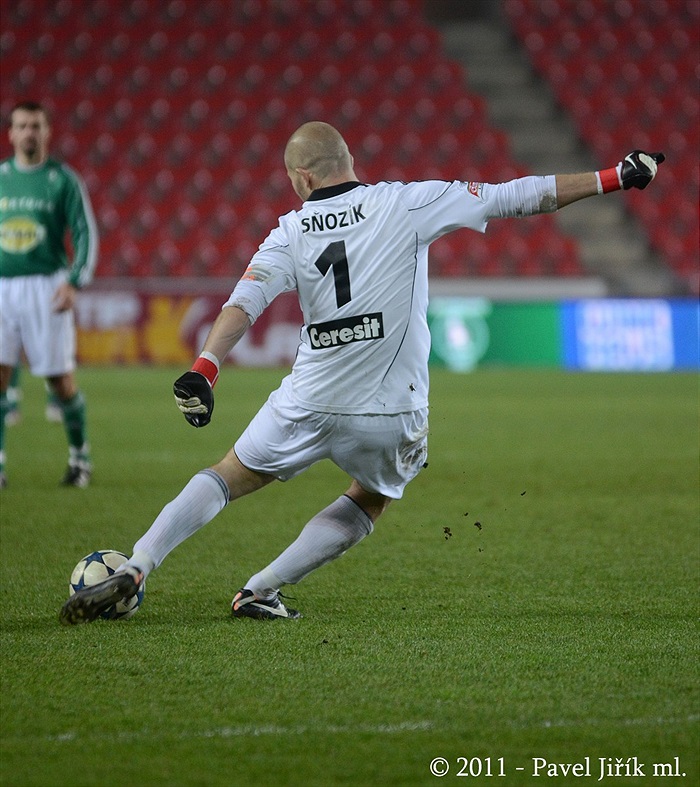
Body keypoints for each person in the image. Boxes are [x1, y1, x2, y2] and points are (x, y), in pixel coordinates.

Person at [59, 121, 663, 623]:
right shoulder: (406, 203)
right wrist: (614, 176)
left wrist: (204, 368)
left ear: (302, 178)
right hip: (391, 410)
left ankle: (139, 564)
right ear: (349, 160)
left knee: (226, 476)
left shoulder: (290, 230)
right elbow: (516, 195)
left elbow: (244, 303)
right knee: (370, 498)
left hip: (309, 400)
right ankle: (261, 589)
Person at [0, 100, 98, 489]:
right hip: (2, 285)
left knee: (60, 381)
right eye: (22, 126)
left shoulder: (63, 180)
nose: (29, 132)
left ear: (47, 132)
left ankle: (79, 459)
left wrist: (74, 281)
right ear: (11, 134)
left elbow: (84, 231)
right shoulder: (1, 177)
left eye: (36, 126)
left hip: (46, 286)